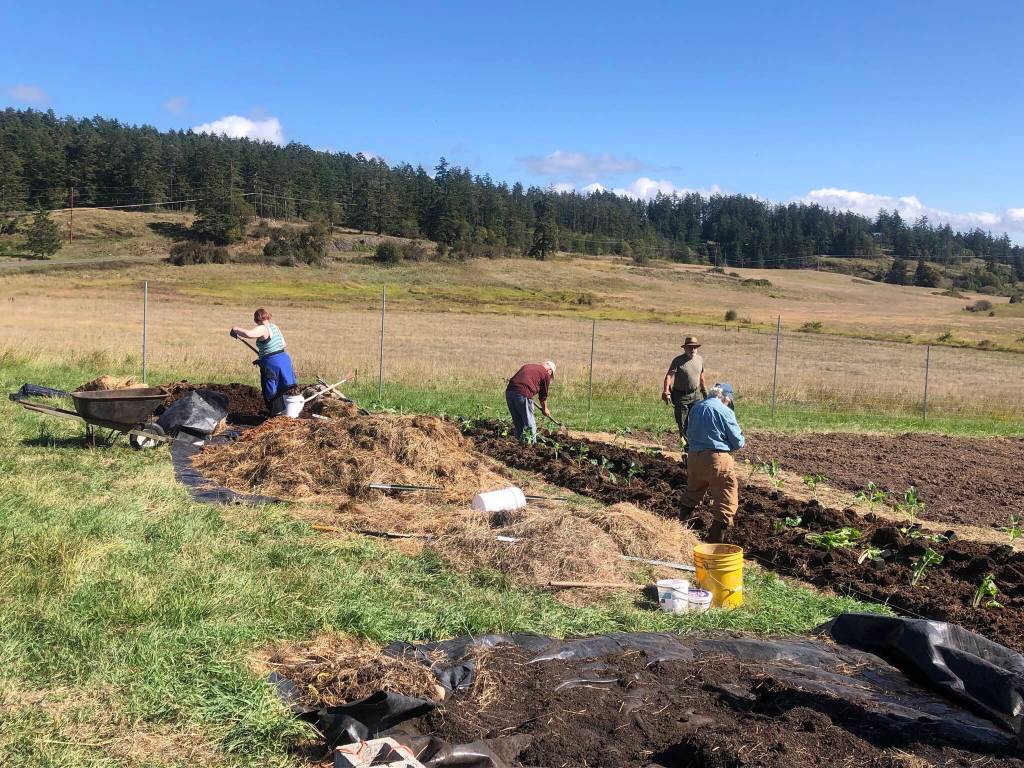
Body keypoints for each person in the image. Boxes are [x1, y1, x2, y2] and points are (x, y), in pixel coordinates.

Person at [679, 383, 745, 543]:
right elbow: (737, 442)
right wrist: (741, 438)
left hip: (694, 457)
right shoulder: (725, 411)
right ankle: (715, 541)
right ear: (726, 398)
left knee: (692, 494)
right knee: (726, 499)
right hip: (716, 459)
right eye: (729, 402)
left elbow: (687, 431)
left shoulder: (696, 407)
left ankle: (680, 531)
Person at [230, 308, 297, 414]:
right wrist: (265, 353)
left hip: (272, 364)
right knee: (281, 388)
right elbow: (283, 344)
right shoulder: (274, 327)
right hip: (284, 360)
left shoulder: (262, 328)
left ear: (256, 319)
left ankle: (276, 415)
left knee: (271, 391)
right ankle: (284, 413)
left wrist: (235, 329)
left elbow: (248, 334)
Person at [661, 336, 706, 447]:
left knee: (697, 420)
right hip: (681, 396)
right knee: (682, 423)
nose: (693, 349)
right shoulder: (678, 361)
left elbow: (701, 376)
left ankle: (696, 444)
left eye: (695, 347)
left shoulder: (700, 359)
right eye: (690, 347)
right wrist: (666, 391)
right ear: (685, 348)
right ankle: (686, 447)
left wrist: (705, 392)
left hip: (696, 395)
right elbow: (669, 376)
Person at [505, 361, 556, 442]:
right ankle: (532, 445)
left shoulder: (528, 366)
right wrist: (545, 409)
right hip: (523, 394)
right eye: (551, 374)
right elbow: (543, 396)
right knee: (530, 423)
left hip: (509, 392)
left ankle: (520, 443)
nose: (550, 376)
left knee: (518, 422)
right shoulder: (545, 374)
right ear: (550, 371)